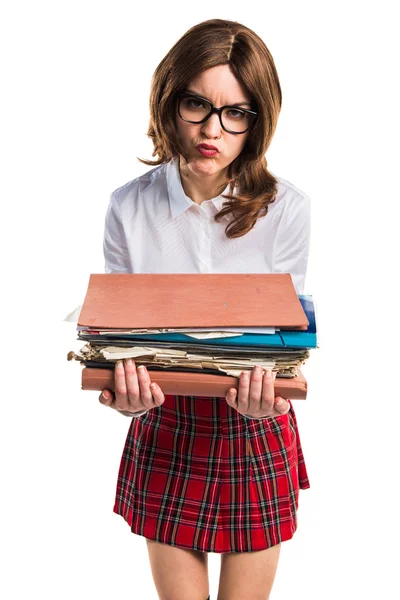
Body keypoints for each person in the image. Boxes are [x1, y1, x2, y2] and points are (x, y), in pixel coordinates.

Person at [98, 18, 311, 600]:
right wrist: (123, 397)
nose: (212, 130)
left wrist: (273, 392)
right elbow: (119, 342)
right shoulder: (128, 208)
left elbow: (290, 341)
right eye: (197, 105)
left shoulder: (286, 209)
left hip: (254, 423)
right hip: (167, 419)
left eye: (236, 112)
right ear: (170, 101)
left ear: (256, 120)